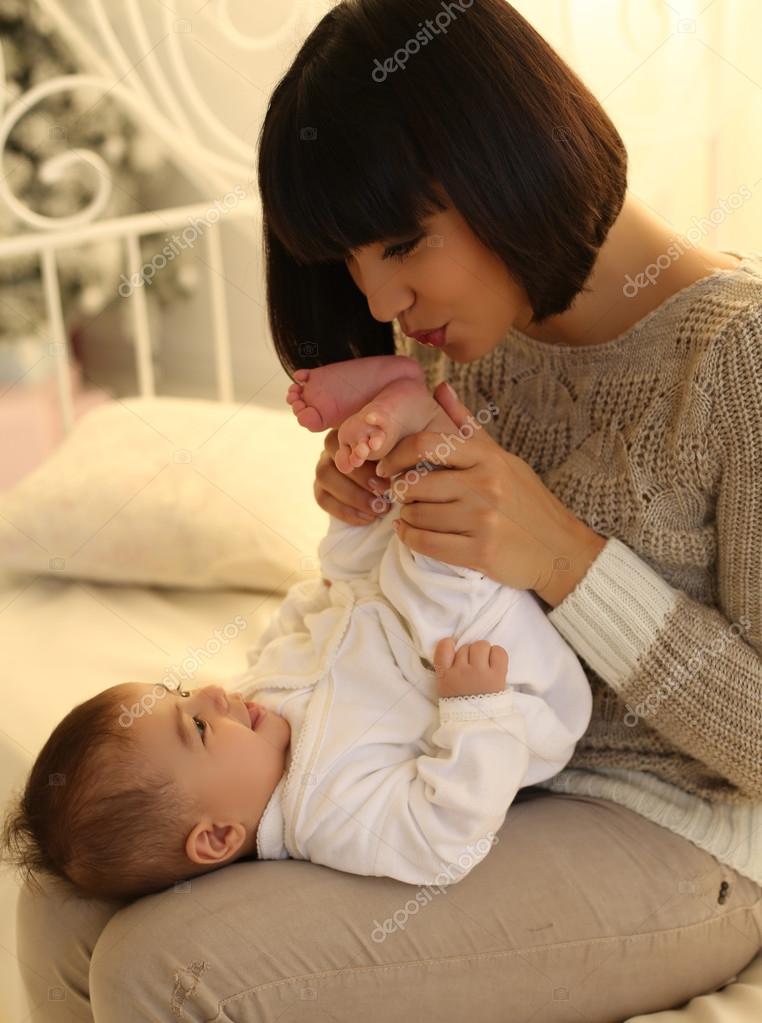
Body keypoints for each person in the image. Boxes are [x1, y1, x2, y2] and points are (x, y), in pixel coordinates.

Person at [14, 1, 762, 1020]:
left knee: (166, 970)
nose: (381, 306)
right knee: (64, 903)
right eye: (353, 266)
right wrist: (362, 514)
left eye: (403, 244)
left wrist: (569, 562)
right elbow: (400, 605)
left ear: (515, 157)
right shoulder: (456, 336)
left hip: (675, 828)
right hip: (435, 770)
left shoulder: (738, 362)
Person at [2, 365, 592, 900]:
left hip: (380, 618)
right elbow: (444, 837)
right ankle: (424, 427)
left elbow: (290, 633)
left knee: (363, 542)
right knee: (431, 568)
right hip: (504, 686)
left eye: (181, 692)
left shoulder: (254, 713)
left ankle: (373, 450)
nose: (210, 694)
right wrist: (475, 711)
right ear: (216, 837)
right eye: (198, 726)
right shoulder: (328, 814)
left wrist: (331, 589)